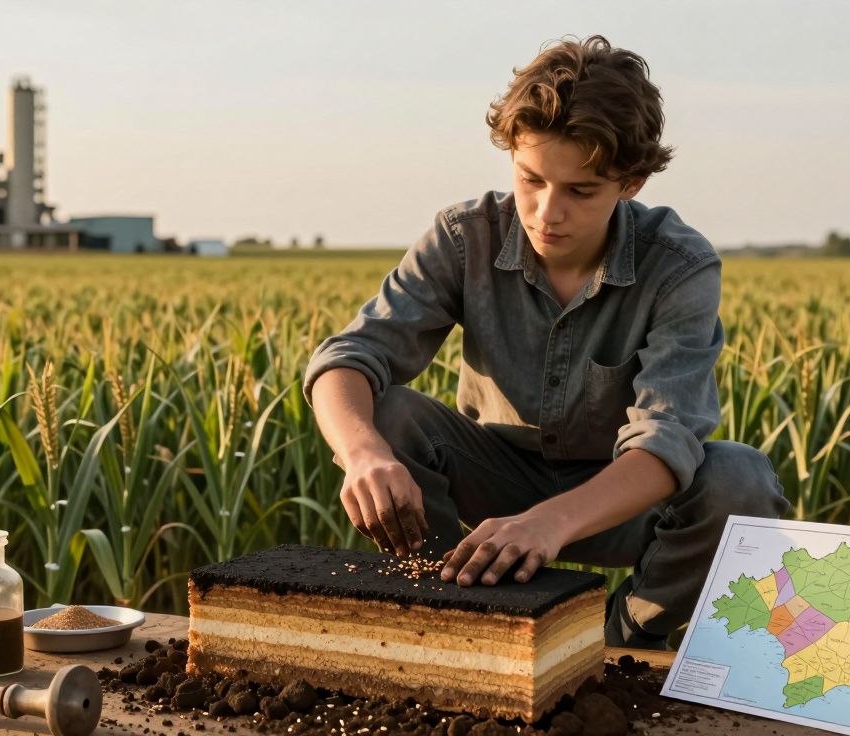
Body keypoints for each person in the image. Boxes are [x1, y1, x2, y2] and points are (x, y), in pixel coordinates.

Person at [302, 35, 789, 649]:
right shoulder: (464, 237)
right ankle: (453, 625)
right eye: (531, 179)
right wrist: (365, 452)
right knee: (389, 414)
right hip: (492, 485)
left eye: (581, 191)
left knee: (739, 479)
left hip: (621, 500)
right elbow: (346, 359)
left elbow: (666, 442)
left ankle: (621, 649)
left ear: (631, 183)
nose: (546, 212)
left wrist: (549, 523)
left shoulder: (680, 266)